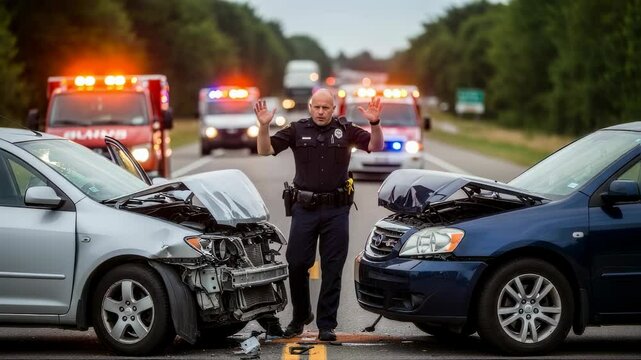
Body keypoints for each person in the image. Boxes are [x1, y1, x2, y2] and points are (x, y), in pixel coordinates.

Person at [253, 89, 384, 341]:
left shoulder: (345, 130)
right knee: (297, 263)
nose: (321, 112)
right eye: (317, 107)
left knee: (333, 267)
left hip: (336, 210)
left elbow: (375, 145)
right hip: (305, 208)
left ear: (333, 109)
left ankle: (327, 324)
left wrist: (374, 123)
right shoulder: (296, 130)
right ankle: (301, 316)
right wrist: (263, 127)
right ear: (310, 107)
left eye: (326, 108)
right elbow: (264, 149)